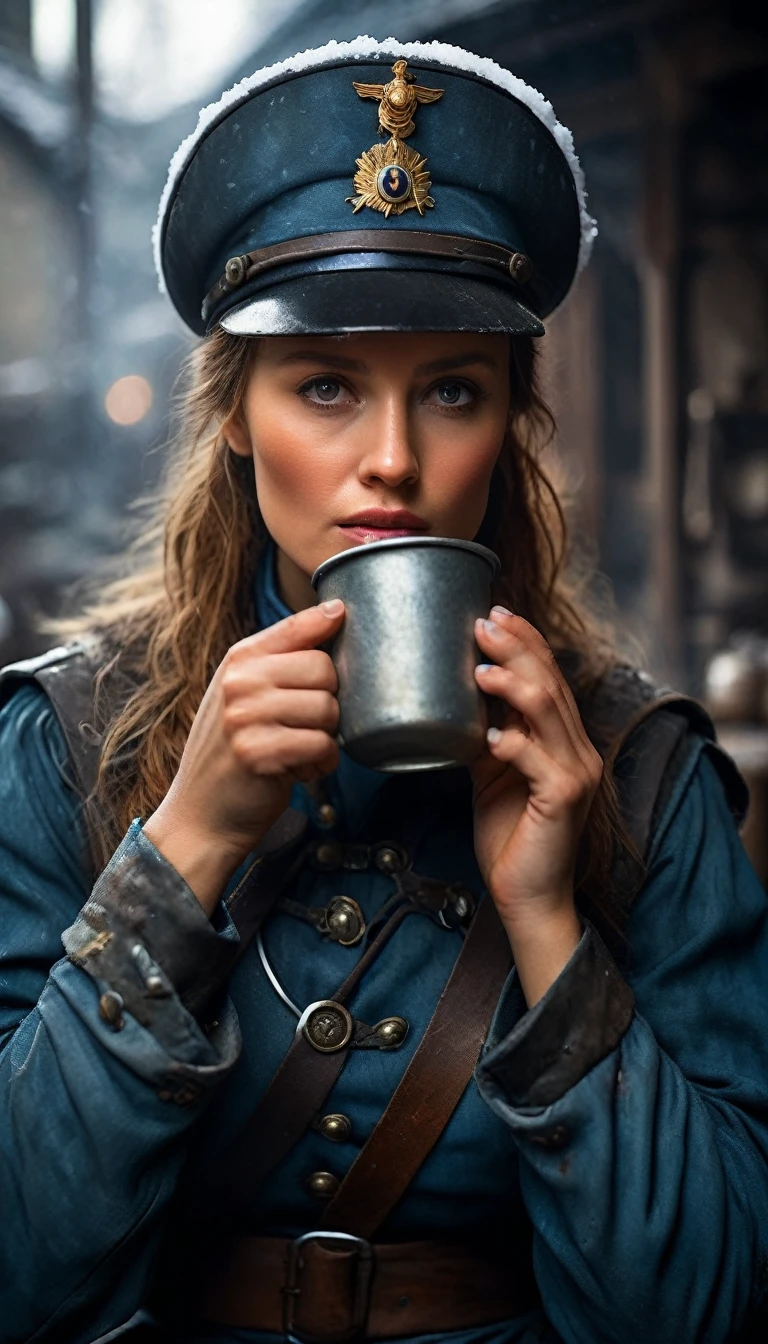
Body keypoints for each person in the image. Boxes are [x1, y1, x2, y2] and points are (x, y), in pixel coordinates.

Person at [1, 35, 767, 1344]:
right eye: (327, 387)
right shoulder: (62, 747)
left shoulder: (640, 773)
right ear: (234, 415)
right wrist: (178, 855)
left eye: (453, 391)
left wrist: (546, 918)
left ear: (514, 418)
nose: (394, 462)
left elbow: (706, 1312)